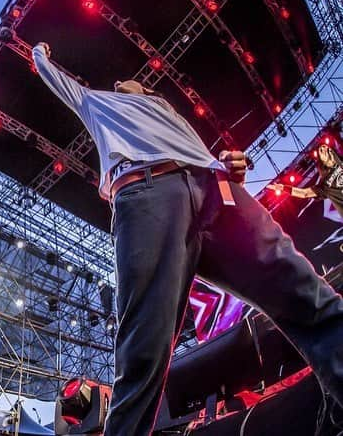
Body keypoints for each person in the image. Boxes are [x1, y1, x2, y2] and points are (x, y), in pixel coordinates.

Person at [32, 42, 343, 435]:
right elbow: (58, 82)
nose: (118, 80)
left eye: (129, 80)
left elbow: (198, 155)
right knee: (144, 352)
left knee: (305, 293)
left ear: (148, 91)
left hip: (215, 191)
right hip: (148, 192)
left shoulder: (170, 113)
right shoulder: (98, 103)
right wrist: (41, 55)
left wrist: (226, 165)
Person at [267, 143, 343, 215]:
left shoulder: (341, 162)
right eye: (321, 150)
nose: (324, 149)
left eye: (325, 147)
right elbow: (304, 193)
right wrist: (284, 188)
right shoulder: (325, 184)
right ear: (321, 159)